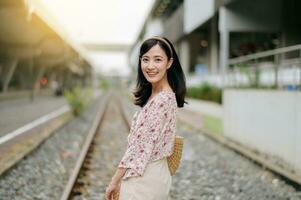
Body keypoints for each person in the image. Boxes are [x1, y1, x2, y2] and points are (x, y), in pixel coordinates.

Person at [105, 36, 187, 200]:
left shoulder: (161, 100)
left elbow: (137, 150)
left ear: (169, 63)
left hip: (146, 178)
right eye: (145, 59)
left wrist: (114, 182)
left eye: (158, 60)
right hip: (154, 173)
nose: (150, 66)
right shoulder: (160, 95)